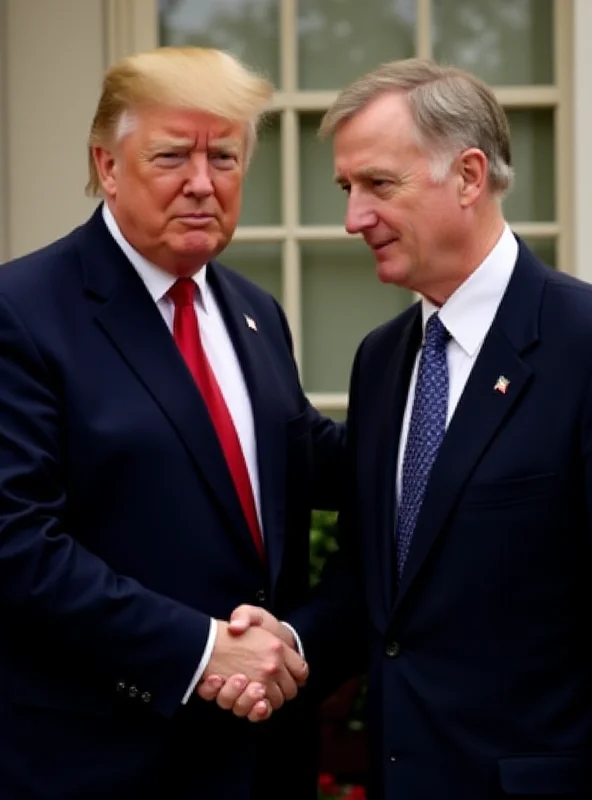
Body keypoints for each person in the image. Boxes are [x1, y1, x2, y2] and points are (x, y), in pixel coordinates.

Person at [208, 59, 592, 799]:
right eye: (347, 190)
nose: (353, 218)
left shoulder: (580, 343)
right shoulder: (382, 362)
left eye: (379, 185)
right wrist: (288, 642)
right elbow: (373, 585)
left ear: (470, 176)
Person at [0, 46, 344, 799]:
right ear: (108, 164)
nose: (201, 182)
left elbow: (304, 458)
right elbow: (16, 544)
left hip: (259, 761)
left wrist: (456, 403)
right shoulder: (23, 311)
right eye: (170, 156)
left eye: (223, 156)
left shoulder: (255, 312)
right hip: (100, 761)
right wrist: (202, 649)